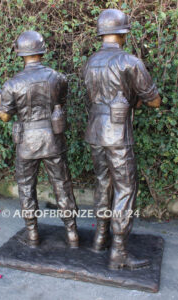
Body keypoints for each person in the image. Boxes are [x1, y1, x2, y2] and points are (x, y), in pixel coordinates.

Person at [83, 9, 161, 269]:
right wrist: (136, 98)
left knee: (103, 184)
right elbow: (154, 100)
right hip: (117, 135)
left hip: (95, 131)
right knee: (125, 190)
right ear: (122, 33)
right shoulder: (130, 62)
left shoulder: (90, 61)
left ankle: (99, 239)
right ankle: (119, 252)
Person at [0, 30, 79, 248]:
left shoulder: (12, 84)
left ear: (20, 53)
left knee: (25, 187)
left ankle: (32, 234)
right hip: (53, 139)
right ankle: (72, 233)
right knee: (62, 185)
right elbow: (60, 102)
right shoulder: (58, 78)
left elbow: (4, 116)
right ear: (42, 51)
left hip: (27, 143)